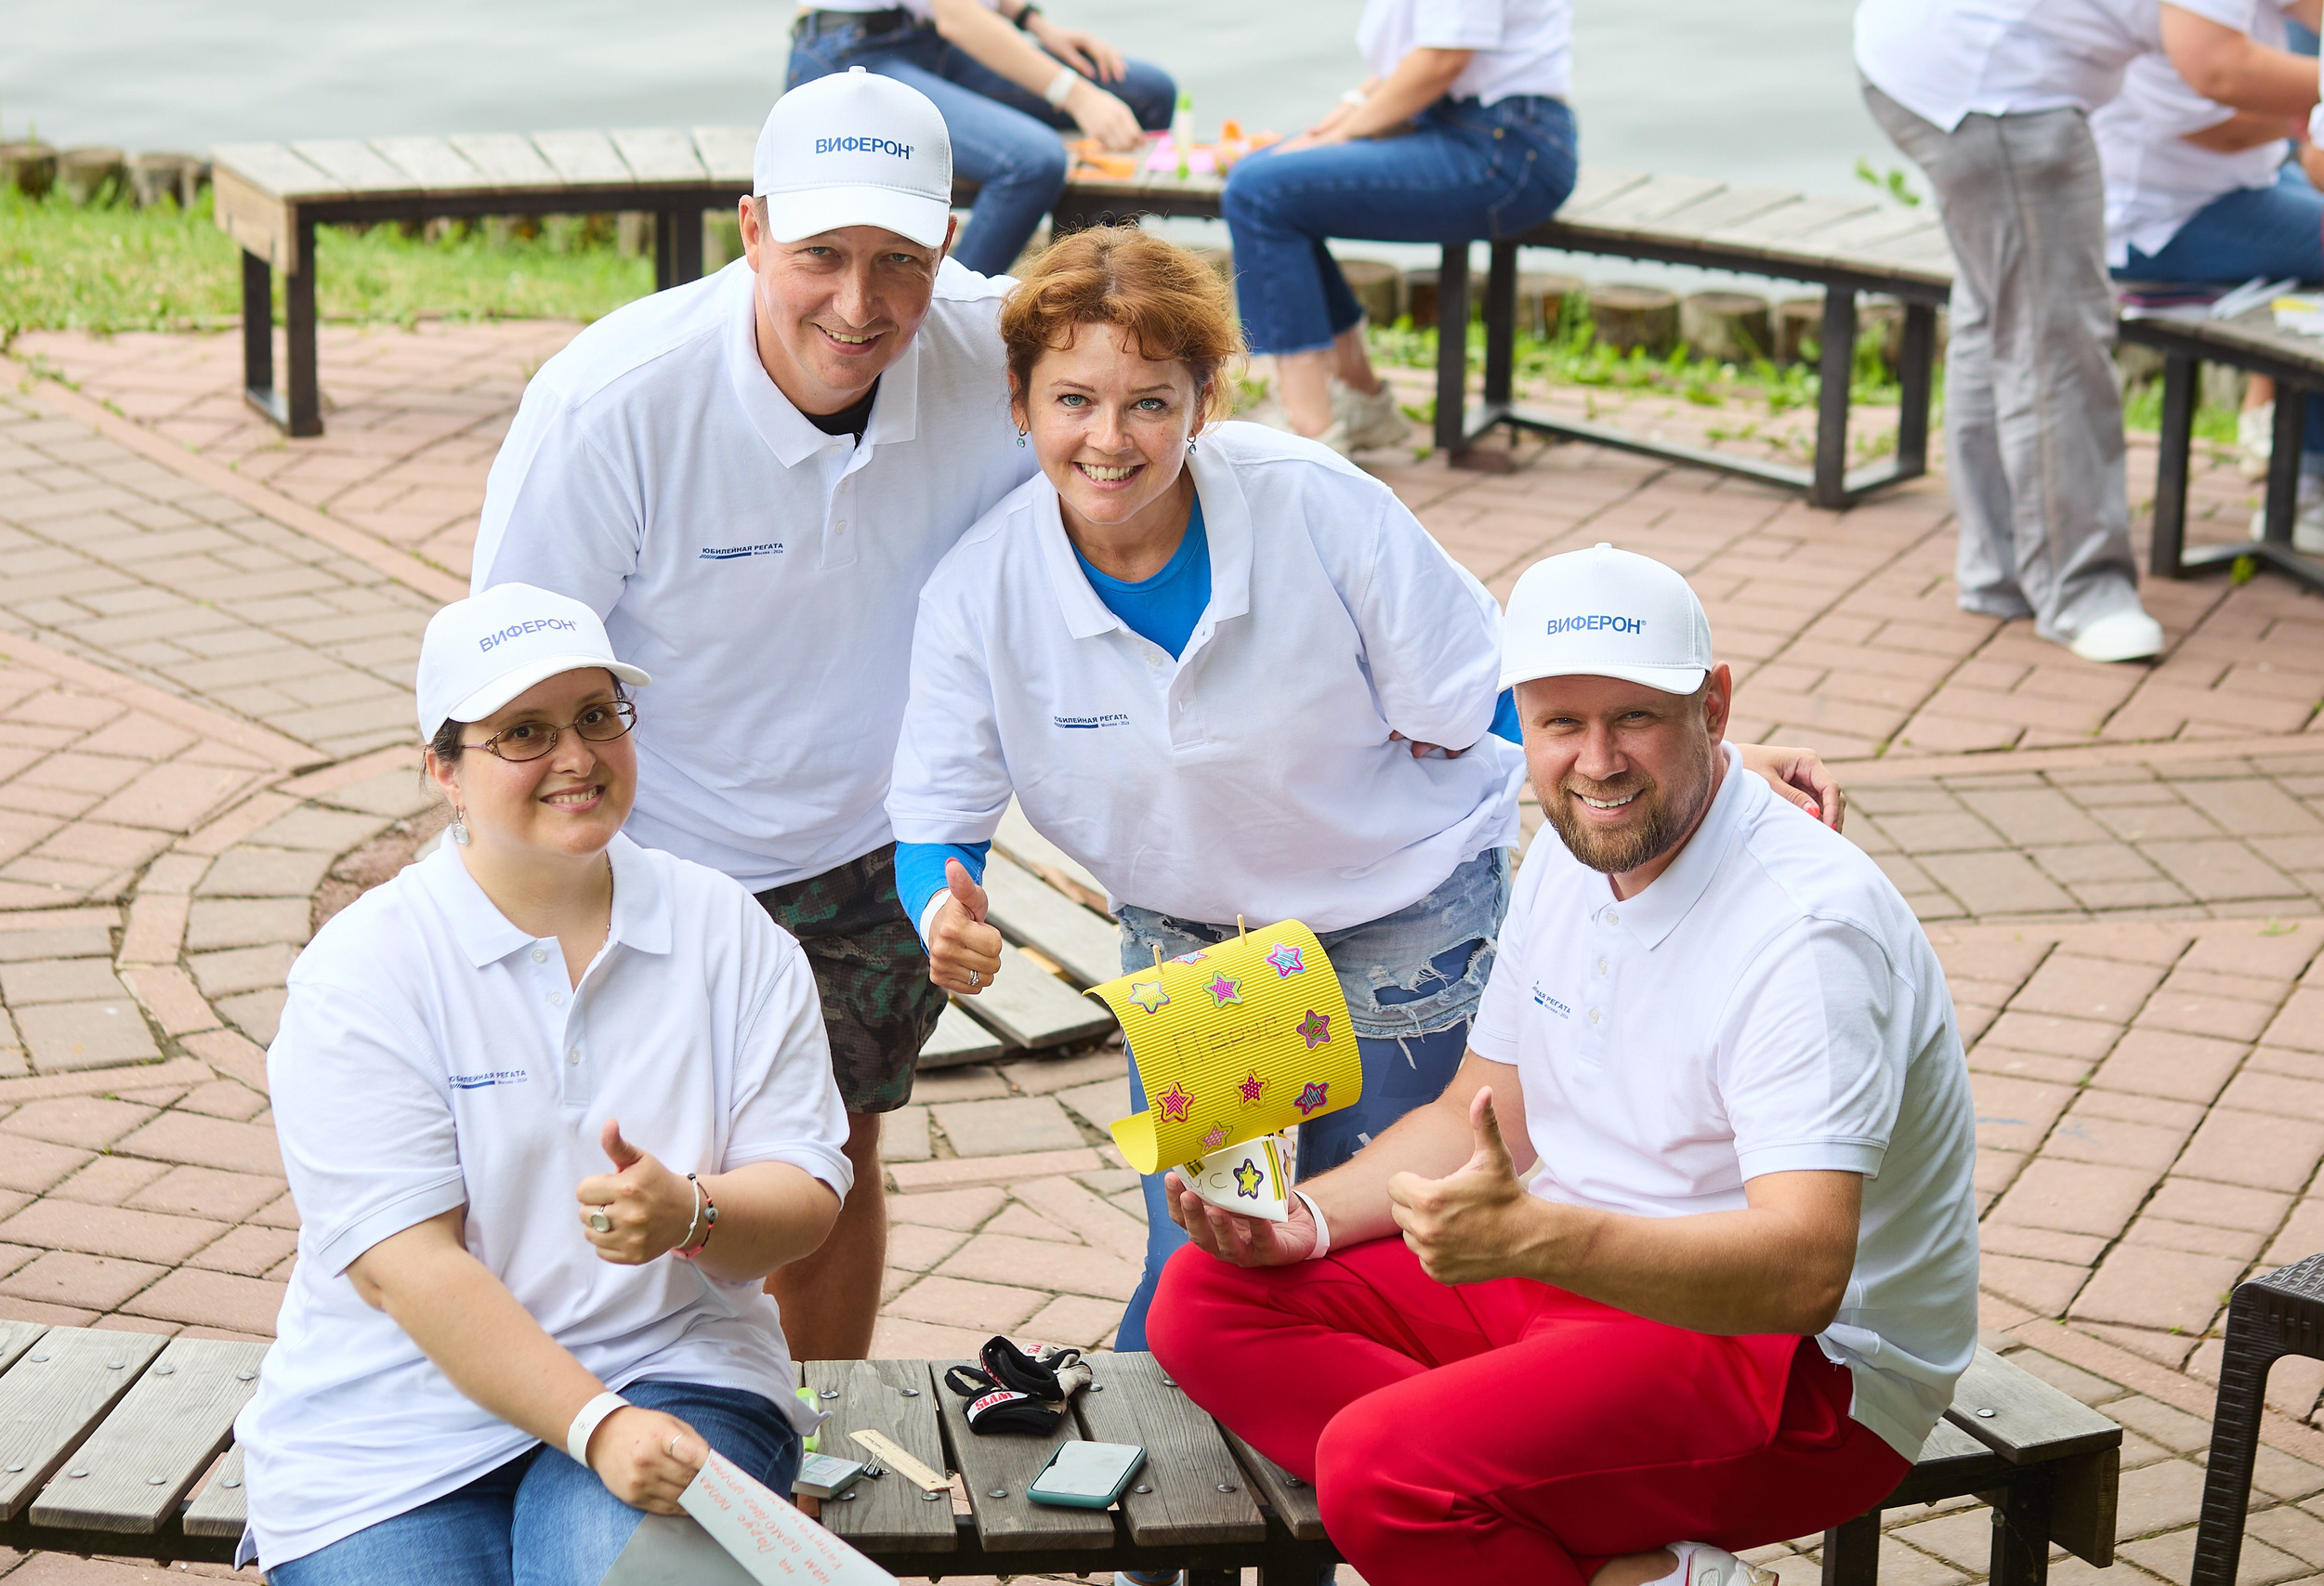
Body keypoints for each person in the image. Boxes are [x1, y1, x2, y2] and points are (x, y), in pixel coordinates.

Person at [883, 228, 1848, 1356]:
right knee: (1208, 1259)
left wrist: (1719, 771)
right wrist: (941, 912)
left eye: (1149, 402)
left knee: (1407, 1249)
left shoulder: (1314, 506)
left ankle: (1433, 1496)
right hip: (1202, 956)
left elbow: (1499, 699)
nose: (1108, 438)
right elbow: (936, 824)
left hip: (1402, 918)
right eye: (1073, 401)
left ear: (1206, 399)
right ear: (1019, 402)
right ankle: (1201, 1523)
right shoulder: (981, 589)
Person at [1145, 544, 1979, 1586]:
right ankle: (1619, 1563)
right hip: (1574, 1277)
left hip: (1795, 1373)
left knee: (1378, 1472)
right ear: (1521, 725)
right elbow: (1483, 1110)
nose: (1597, 762)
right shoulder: (1574, 856)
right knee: (1205, 1297)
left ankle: (1495, 1508)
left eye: (1634, 717)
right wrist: (1298, 1220)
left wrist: (1539, 1237)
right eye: (1560, 725)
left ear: (1712, 706)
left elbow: (1803, 1272)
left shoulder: (1807, 933)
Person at [474, 67, 1034, 1364]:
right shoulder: (612, 401)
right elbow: (510, 666)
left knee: (829, 1149)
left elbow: (1170, 452)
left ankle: (823, 1435)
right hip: (646, 848)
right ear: (749, 229)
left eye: (900, 257)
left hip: (865, 846)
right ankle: (603, 1417)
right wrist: (534, 892)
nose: (859, 302)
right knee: (609, 1159)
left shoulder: (1000, 359)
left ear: (949, 245)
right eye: (821, 253)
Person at [234, 583, 853, 1585]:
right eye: (522, 732)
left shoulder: (727, 931)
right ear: (443, 768)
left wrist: (694, 1214)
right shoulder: (365, 969)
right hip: (395, 1418)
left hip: (674, 1377)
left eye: (597, 717)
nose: (575, 758)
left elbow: (806, 1195)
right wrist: (591, 1424)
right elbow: (405, 1267)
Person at [1855, 0, 2319, 662]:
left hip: (1918, 57)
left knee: (1998, 315)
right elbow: (2218, 68)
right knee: (2057, 338)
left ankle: (2000, 568)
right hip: (1997, 87)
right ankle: (2082, 592)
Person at [1218, 0, 1577, 449]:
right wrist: (1347, 111)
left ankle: (1309, 433)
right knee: (1267, 177)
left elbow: (1444, 59)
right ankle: (1360, 401)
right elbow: (1420, 57)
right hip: (1466, 127)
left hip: (1501, 149)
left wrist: (1339, 137)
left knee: (1261, 191)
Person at [2093, 7, 2324, 548]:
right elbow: (2221, 127)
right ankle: (2306, 486)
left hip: (2221, 194)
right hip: (2161, 221)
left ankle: (2287, 446)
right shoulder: (2184, 24)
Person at [786, 0, 1175, 276]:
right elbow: (957, 14)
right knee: (1030, 162)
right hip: (851, 49)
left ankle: (1093, 289)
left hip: (932, 44)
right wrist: (1075, 95)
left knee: (1147, 92)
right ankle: (939, 320)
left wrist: (1040, 26)